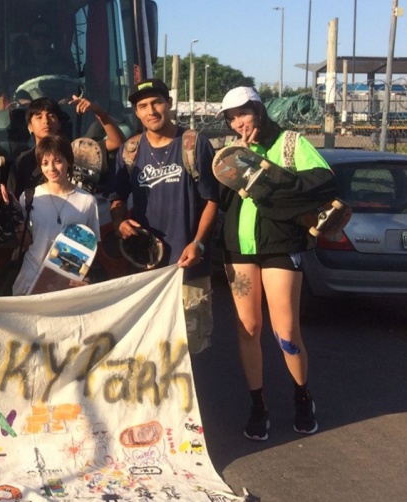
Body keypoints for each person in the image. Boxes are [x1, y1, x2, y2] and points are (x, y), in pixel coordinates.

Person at [217, 86, 336, 441]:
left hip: (281, 246)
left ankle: (302, 395)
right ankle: (259, 405)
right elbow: (223, 198)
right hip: (239, 248)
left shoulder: (289, 142)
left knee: (285, 331)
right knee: (247, 328)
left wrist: (269, 174)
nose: (239, 122)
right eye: (232, 117)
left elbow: (322, 180)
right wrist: (237, 160)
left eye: (244, 113)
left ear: (258, 109)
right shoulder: (232, 150)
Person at [109, 78, 218, 355]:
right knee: (147, 346)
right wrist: (120, 221)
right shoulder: (130, 150)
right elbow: (117, 198)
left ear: (168, 103)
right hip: (146, 271)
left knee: (189, 350)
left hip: (189, 267)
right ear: (136, 112)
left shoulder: (194, 144)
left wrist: (199, 244)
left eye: (157, 102)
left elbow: (212, 201)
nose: (151, 111)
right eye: (143, 106)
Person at [12, 134, 100, 295]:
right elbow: (24, 242)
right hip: (29, 280)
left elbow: (92, 247)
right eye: (45, 163)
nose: (51, 168)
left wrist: (87, 280)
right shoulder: (29, 197)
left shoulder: (87, 201)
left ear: (69, 162)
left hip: (66, 284)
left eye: (58, 161)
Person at [8, 96, 126, 200]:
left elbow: (117, 142)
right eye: (39, 117)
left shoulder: (78, 151)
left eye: (51, 115)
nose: (46, 121)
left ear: (59, 124)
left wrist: (99, 112)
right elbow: (14, 201)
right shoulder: (23, 162)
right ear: (30, 127)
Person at [7, 16, 78, 99]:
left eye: (46, 35)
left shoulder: (65, 65)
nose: (42, 39)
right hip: (29, 110)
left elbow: (74, 89)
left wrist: (66, 100)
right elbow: (13, 92)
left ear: (51, 39)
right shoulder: (18, 68)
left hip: (60, 110)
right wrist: (25, 103)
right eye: (36, 35)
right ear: (30, 40)